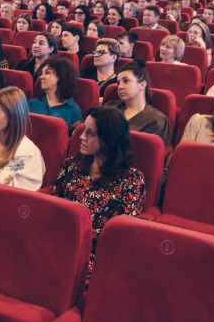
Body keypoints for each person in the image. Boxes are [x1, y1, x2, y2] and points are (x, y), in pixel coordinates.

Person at [51, 106, 146, 267]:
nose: (81, 137)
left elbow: (120, 233)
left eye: (90, 133)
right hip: (58, 241)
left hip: (97, 253)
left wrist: (74, 233)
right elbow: (53, 205)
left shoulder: (131, 180)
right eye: (83, 130)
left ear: (109, 139)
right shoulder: (71, 165)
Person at [109, 62, 171, 144]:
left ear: (142, 85)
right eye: (118, 83)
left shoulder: (157, 120)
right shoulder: (110, 107)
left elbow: (151, 153)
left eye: (126, 81)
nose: (120, 87)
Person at [28, 55, 82, 128]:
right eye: (42, 73)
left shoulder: (73, 110)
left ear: (61, 76)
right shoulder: (32, 104)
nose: (41, 77)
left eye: (47, 73)